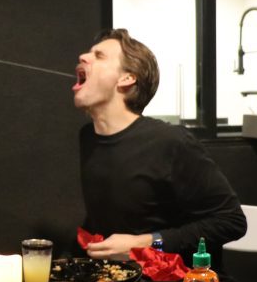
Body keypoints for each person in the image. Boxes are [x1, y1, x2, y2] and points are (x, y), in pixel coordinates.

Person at [73, 28, 246, 266]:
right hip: (113, 281)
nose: (83, 56)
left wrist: (146, 243)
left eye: (100, 56)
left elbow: (231, 221)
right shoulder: (88, 137)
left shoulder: (170, 142)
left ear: (126, 78)